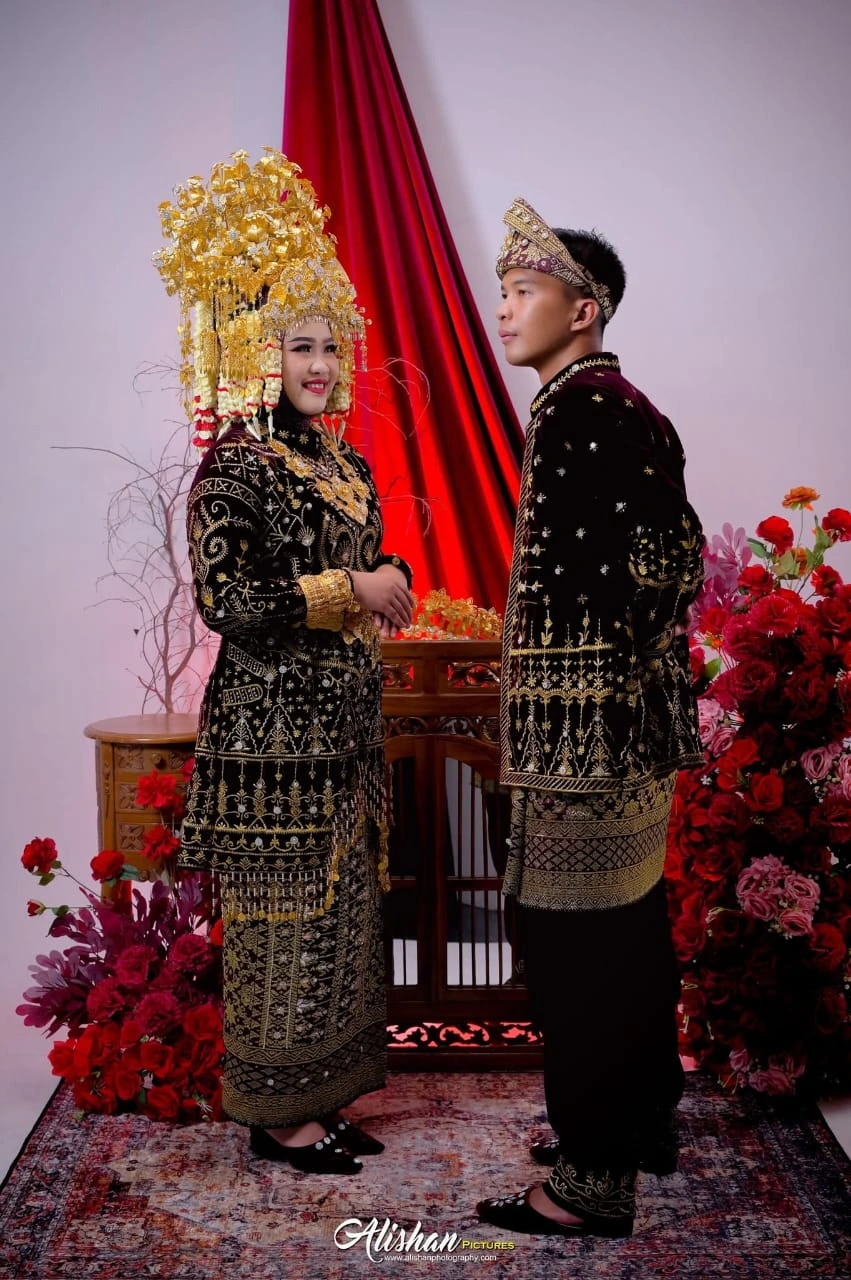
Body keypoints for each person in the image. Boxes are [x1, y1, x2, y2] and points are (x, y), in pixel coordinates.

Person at [154, 150, 413, 1175]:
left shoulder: (343, 462)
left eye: (330, 345)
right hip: (268, 743)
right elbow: (230, 602)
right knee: (282, 926)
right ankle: (276, 1115)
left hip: (345, 735)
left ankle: (326, 1094)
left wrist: (388, 574)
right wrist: (353, 587)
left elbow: (376, 560)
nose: (319, 365)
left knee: (342, 923)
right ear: (260, 353)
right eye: (299, 346)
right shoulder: (234, 467)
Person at [476, 199, 704, 1236]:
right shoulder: (596, 404)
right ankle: (637, 1122)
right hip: (615, 732)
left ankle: (590, 1181)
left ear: (584, 307)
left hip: (590, 742)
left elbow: (666, 557)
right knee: (627, 934)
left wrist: (602, 679)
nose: (504, 308)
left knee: (580, 954)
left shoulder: (588, 408)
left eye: (523, 290)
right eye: (501, 290)